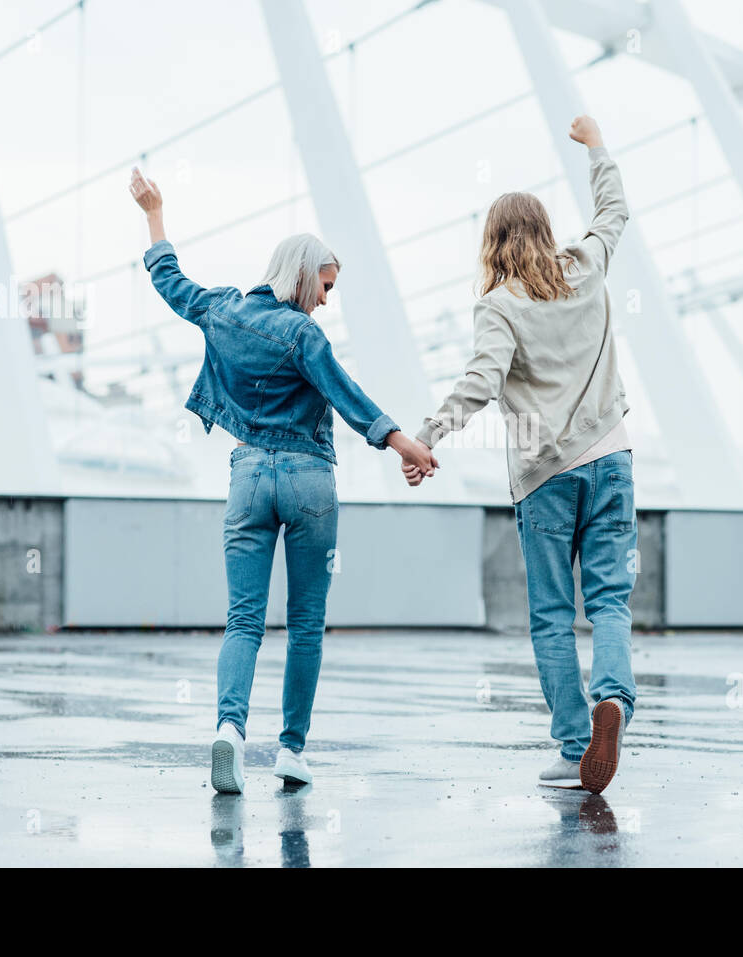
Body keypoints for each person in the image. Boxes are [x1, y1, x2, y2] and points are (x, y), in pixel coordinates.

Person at [129, 167, 437, 793]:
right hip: (307, 479)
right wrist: (403, 441)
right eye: (324, 285)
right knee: (305, 622)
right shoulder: (303, 333)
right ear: (302, 274)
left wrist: (154, 213)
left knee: (243, 618)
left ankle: (229, 730)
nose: (325, 299)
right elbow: (347, 397)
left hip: (247, 477)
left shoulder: (221, 310)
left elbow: (168, 280)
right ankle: (292, 750)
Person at [403, 116, 636, 794]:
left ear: (493, 242)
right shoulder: (586, 267)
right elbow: (614, 209)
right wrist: (596, 147)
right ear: (543, 232)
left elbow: (481, 381)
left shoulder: (499, 305)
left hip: (545, 479)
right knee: (611, 600)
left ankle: (573, 744)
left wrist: (428, 436)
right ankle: (613, 698)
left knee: (551, 615)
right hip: (613, 460)